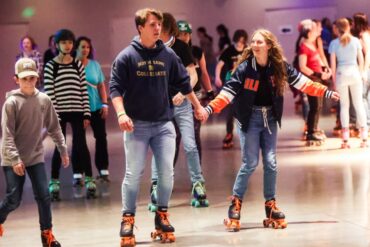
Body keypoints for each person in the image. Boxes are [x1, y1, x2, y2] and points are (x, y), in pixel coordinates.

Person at [203, 29, 339, 231]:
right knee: (250, 163)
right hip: (249, 119)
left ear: (268, 45)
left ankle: (270, 206)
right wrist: (210, 108)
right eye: (253, 42)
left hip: (270, 119)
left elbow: (303, 83)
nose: (254, 45)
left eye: (259, 42)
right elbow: (228, 91)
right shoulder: (244, 68)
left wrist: (325, 91)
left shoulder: (279, 67)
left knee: (271, 162)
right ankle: (236, 203)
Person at [109, 8, 206, 246]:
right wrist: (121, 113)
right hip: (137, 127)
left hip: (164, 124)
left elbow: (184, 83)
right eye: (152, 24)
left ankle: (162, 215)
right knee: (133, 175)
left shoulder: (168, 55)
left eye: (159, 25)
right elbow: (115, 88)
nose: (157, 29)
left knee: (166, 175)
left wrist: (197, 107)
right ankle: (128, 218)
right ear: (140, 27)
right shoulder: (127, 57)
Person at [0, 58, 69, 246]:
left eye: (32, 78)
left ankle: (47, 235)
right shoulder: (11, 103)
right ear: (16, 79)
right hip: (12, 157)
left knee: (44, 196)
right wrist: (15, 159)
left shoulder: (44, 100)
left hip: (35, 155)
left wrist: (62, 149)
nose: (29, 82)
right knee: (14, 199)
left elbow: (54, 127)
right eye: (25, 79)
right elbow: (7, 135)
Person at [149, 13, 210, 212]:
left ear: (165, 27)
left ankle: (198, 184)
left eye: (158, 25)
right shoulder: (151, 46)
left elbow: (192, 75)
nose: (155, 28)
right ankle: (156, 185)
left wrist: (183, 95)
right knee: (161, 147)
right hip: (159, 105)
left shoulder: (182, 47)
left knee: (190, 145)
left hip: (182, 104)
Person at [44, 29, 95, 201]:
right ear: (57, 45)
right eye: (64, 42)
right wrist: (55, 115)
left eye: (70, 42)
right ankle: (54, 180)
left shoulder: (77, 64)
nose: (68, 45)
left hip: (77, 111)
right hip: (59, 113)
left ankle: (89, 178)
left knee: (81, 145)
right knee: (60, 146)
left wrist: (86, 113)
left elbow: (83, 90)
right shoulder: (51, 66)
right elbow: (50, 94)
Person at [177, 19, 214, 164]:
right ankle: (168, 174)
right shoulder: (171, 51)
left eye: (186, 34)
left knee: (194, 133)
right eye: (180, 34)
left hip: (196, 96)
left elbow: (204, 73)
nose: (184, 37)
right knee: (176, 136)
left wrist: (210, 91)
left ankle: (197, 173)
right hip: (177, 97)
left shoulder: (197, 51)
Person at [75, 36, 110, 182]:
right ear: (76, 48)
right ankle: (78, 173)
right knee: (79, 141)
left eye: (88, 47)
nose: (85, 50)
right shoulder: (72, 65)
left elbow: (101, 85)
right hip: (79, 109)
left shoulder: (95, 65)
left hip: (96, 107)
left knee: (101, 138)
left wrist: (105, 103)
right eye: (82, 47)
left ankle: (103, 170)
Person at [329, 18, 368, 148]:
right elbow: (361, 60)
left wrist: (334, 82)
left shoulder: (334, 43)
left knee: (344, 106)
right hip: (355, 73)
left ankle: (345, 140)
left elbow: (333, 66)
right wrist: (362, 73)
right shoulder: (356, 41)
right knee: (359, 104)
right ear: (348, 27)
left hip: (341, 74)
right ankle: (364, 138)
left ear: (337, 28)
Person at [298, 19, 332, 145]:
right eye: (313, 29)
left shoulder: (312, 44)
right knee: (314, 106)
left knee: (318, 106)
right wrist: (319, 74)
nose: (316, 31)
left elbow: (318, 60)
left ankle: (314, 130)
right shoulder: (303, 47)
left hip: (318, 79)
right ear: (308, 32)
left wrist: (325, 69)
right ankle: (311, 132)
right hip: (312, 80)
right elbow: (303, 67)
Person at [215, 29, 248, 149]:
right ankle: (229, 133)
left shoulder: (247, 50)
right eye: (238, 42)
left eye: (242, 42)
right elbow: (219, 65)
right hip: (232, 82)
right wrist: (217, 78)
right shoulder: (229, 50)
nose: (240, 44)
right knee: (230, 110)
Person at [353, 13, 370, 130]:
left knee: (363, 96)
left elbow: (368, 53)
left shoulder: (364, 35)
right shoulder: (364, 34)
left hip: (366, 69)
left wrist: (364, 70)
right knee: (365, 96)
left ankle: (367, 123)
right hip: (365, 68)